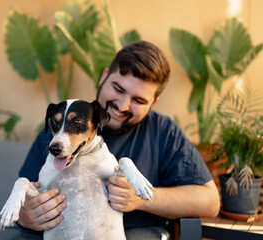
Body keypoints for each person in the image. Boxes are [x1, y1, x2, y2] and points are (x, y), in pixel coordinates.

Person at [16, 40, 220, 239]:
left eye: (138, 100)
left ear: (153, 102)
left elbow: (209, 201)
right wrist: (25, 216)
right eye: (118, 89)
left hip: (135, 232)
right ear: (104, 77)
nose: (122, 106)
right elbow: (26, 195)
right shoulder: (61, 129)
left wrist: (142, 198)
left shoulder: (164, 133)